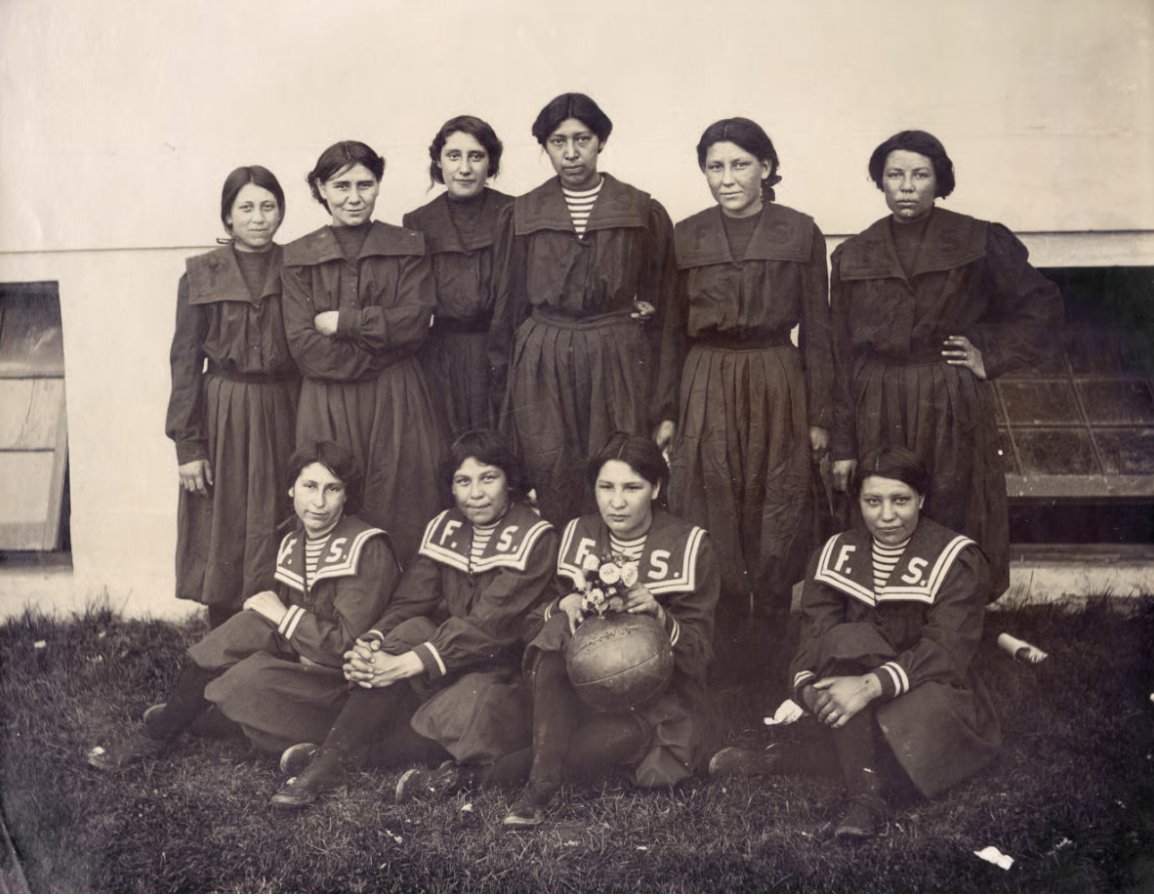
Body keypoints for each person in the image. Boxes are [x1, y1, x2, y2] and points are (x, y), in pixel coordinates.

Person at [709, 446, 1001, 840]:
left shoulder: (955, 556)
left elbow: (947, 650)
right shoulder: (835, 551)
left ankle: (778, 762)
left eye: (900, 500)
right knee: (846, 639)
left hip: (932, 687)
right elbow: (813, 639)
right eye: (873, 501)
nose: (886, 515)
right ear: (858, 501)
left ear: (922, 499)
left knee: (904, 731)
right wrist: (811, 692)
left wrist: (867, 687)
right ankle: (866, 799)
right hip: (848, 685)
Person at [266, 429, 559, 809]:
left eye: (489, 478)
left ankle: (346, 755)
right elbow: (410, 599)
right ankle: (329, 762)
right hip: (445, 661)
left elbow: (490, 625)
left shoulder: (536, 537)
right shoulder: (446, 525)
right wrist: (371, 643)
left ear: (510, 481)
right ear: (451, 487)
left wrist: (403, 664)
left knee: (469, 707)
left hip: (502, 671)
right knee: (409, 630)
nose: (476, 493)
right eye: (463, 481)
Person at [828, 130, 1062, 597]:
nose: (907, 186)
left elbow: (1042, 306)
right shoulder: (855, 253)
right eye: (895, 175)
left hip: (948, 395)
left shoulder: (978, 240)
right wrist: (842, 441)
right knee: (885, 502)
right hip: (876, 394)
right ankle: (885, 616)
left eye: (920, 174)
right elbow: (838, 352)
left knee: (953, 498)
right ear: (881, 182)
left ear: (940, 181)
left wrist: (988, 354)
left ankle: (956, 615)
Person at [87, 441, 400, 769]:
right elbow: (283, 630)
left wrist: (280, 615)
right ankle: (163, 730)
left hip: (348, 691)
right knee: (244, 627)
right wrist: (266, 625)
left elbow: (348, 647)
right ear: (291, 489)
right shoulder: (295, 540)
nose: (319, 502)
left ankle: (210, 720)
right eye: (309, 486)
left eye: (332, 489)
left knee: (243, 681)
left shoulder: (367, 547)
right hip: (307, 665)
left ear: (346, 495)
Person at [664, 118, 834, 682]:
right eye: (716, 166)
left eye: (740, 164)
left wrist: (818, 414)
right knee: (710, 496)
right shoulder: (685, 235)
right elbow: (668, 328)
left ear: (765, 167)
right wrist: (666, 410)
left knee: (777, 496)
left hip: (774, 375)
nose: (728, 178)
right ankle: (723, 641)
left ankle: (773, 644)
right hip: (706, 374)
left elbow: (819, 328)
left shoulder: (800, 231)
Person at [501, 432, 720, 827]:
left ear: (656, 487)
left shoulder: (689, 544)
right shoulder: (575, 533)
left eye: (632, 487)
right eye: (606, 487)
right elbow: (528, 623)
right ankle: (540, 786)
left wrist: (659, 614)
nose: (616, 502)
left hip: (654, 703)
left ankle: (479, 777)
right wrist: (561, 604)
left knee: (583, 748)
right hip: (576, 691)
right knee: (554, 633)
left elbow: (701, 652)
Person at [489, 93, 678, 526]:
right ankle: (561, 575)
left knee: (617, 463)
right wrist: (506, 383)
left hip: (616, 359)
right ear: (545, 146)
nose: (571, 153)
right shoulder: (521, 213)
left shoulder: (640, 210)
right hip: (543, 360)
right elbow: (509, 306)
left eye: (582, 139)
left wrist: (663, 401)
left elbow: (662, 303)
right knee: (550, 466)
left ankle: (616, 576)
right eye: (558, 141)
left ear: (601, 141)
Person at [282, 140, 448, 567]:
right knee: (330, 494)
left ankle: (405, 609)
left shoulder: (408, 244)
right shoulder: (298, 256)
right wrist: (377, 350)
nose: (354, 197)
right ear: (321, 189)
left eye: (365, 184)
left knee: (403, 494)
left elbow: (414, 324)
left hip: (397, 396)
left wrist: (345, 323)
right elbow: (304, 346)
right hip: (328, 398)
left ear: (378, 186)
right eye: (341, 186)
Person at [166, 165, 299, 627]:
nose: (258, 217)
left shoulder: (299, 264)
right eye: (246, 207)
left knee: (282, 514)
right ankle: (222, 636)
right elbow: (184, 362)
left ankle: (277, 633)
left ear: (281, 212)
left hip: (287, 408)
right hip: (224, 413)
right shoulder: (202, 274)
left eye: (268, 206)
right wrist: (188, 445)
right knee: (226, 521)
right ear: (228, 218)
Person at [403, 115, 513, 436]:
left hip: (501, 350)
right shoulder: (418, 221)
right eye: (454, 156)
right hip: (442, 356)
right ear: (439, 161)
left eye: (475, 156)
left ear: (490, 162)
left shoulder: (515, 213)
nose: (464, 168)